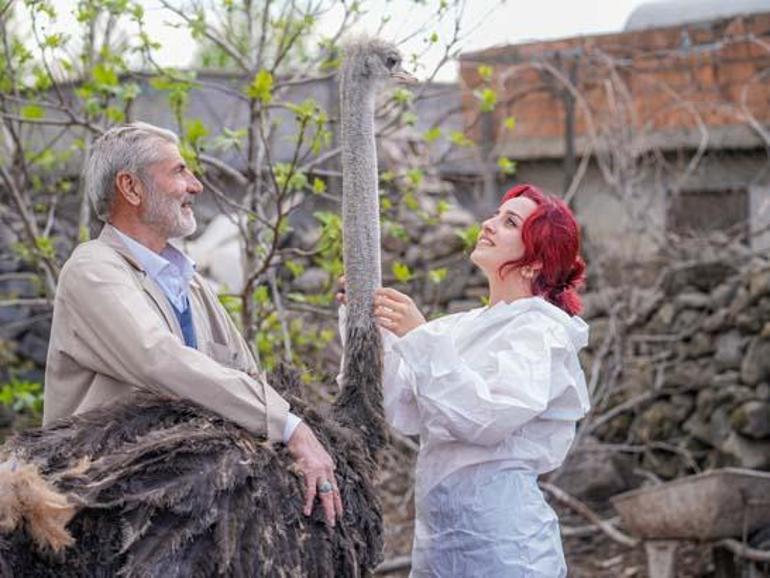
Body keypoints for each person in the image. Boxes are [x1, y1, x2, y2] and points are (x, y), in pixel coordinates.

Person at [44, 122, 342, 526]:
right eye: (179, 171)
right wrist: (288, 426)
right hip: (102, 504)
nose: (196, 185)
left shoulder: (187, 280)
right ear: (131, 188)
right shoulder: (92, 269)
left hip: (176, 494)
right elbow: (159, 359)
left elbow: (242, 368)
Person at [339, 184, 590, 576]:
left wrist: (419, 335)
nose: (488, 224)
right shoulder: (461, 327)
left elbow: (485, 418)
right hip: (438, 544)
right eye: (496, 215)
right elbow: (401, 408)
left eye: (510, 222)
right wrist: (369, 325)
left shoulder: (542, 332)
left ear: (535, 262)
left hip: (506, 549)